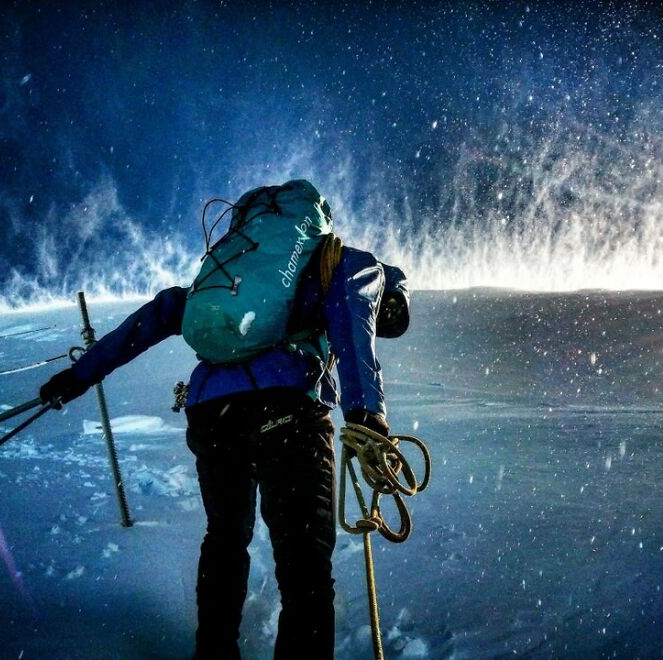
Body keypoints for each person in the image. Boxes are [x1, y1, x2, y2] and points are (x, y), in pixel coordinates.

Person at [39, 182, 410, 660]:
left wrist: (78, 376)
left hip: (213, 415)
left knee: (226, 537)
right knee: (305, 571)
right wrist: (366, 416)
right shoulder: (332, 259)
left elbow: (158, 315)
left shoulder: (225, 274)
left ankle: (214, 652)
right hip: (289, 411)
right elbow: (356, 318)